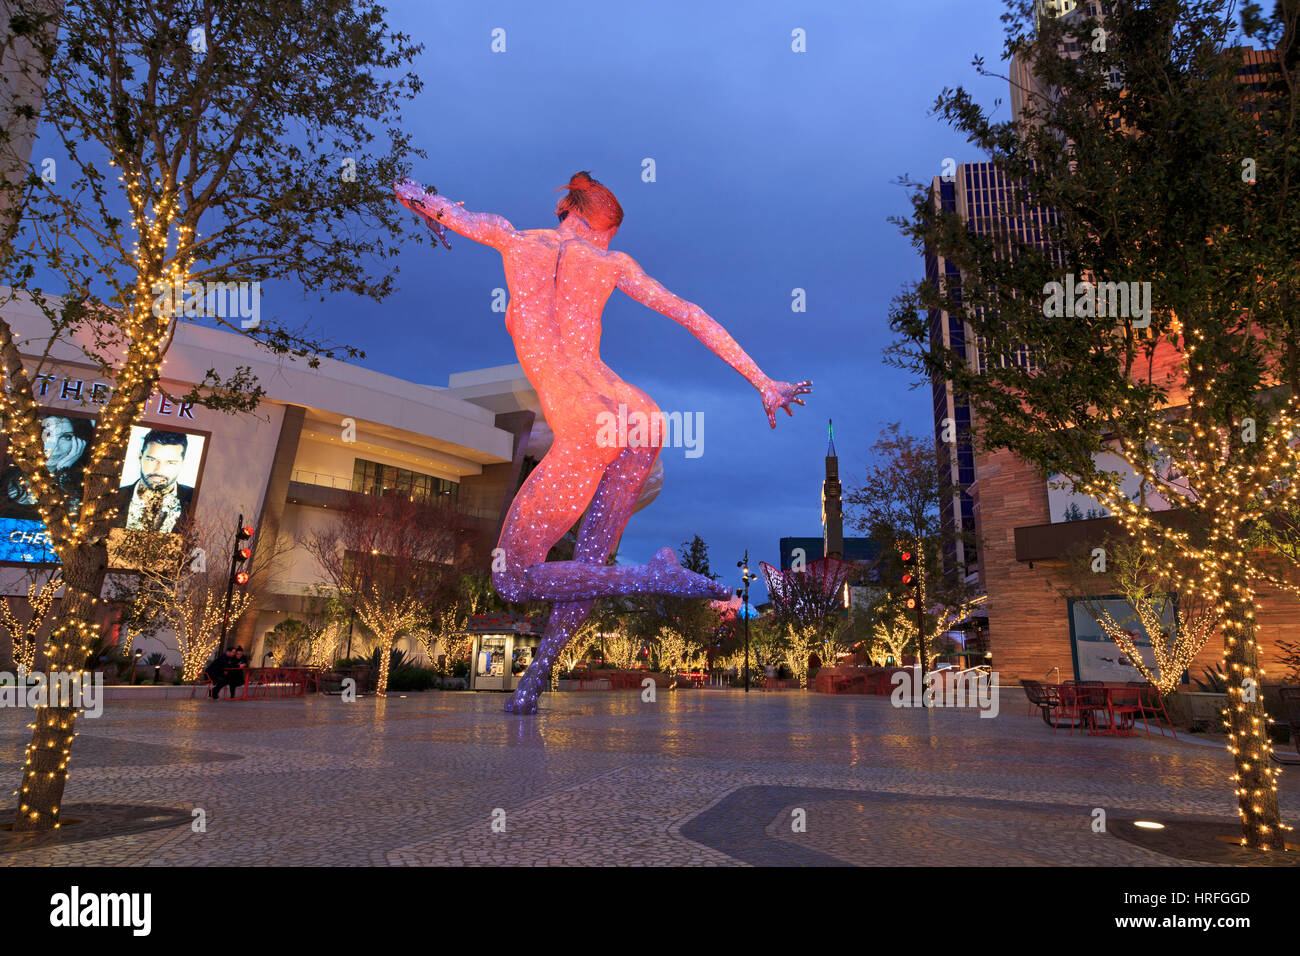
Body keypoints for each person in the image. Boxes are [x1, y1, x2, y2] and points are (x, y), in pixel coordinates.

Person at [396, 172, 810, 714]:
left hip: (587, 422)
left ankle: (648, 578)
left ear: (566, 210)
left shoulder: (511, 238)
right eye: (608, 234)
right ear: (595, 223)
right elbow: (689, 313)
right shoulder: (611, 264)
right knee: (585, 561)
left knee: (513, 577)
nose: (606, 244)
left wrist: (417, 200)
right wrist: (762, 381)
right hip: (636, 415)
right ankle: (532, 683)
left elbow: (427, 198)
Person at [2, 415, 93, 519]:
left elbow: (68, 519)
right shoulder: (6, 475)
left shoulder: (84, 489)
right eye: (47, 434)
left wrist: (62, 472)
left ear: (79, 443)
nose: (54, 447)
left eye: (66, 437)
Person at [113, 429, 195, 532]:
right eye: (152, 460)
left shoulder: (196, 499)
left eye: (170, 462)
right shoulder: (111, 498)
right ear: (140, 457)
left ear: (182, 463)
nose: (158, 470)